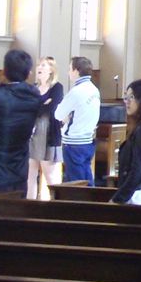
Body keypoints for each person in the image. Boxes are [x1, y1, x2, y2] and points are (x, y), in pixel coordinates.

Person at [0, 50, 42, 196]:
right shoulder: (34, 97)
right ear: (29, 72)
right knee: (15, 215)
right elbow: (18, 91)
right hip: (19, 172)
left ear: (4, 71)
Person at [55, 56, 100, 185]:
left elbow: (58, 114)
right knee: (87, 176)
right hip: (88, 140)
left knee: (76, 182)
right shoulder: (94, 90)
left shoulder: (76, 91)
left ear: (76, 70)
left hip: (74, 142)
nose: (68, 72)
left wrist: (66, 117)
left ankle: (80, 204)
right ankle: (91, 203)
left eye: (70, 69)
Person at [27, 56, 64, 200]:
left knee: (51, 177)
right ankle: (29, 207)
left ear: (51, 70)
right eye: (38, 65)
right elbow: (28, 108)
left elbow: (52, 108)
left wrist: (38, 107)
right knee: (29, 176)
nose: (39, 68)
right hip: (32, 134)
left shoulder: (57, 87)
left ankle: (55, 209)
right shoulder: (33, 88)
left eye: (43, 65)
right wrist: (42, 105)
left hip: (48, 134)